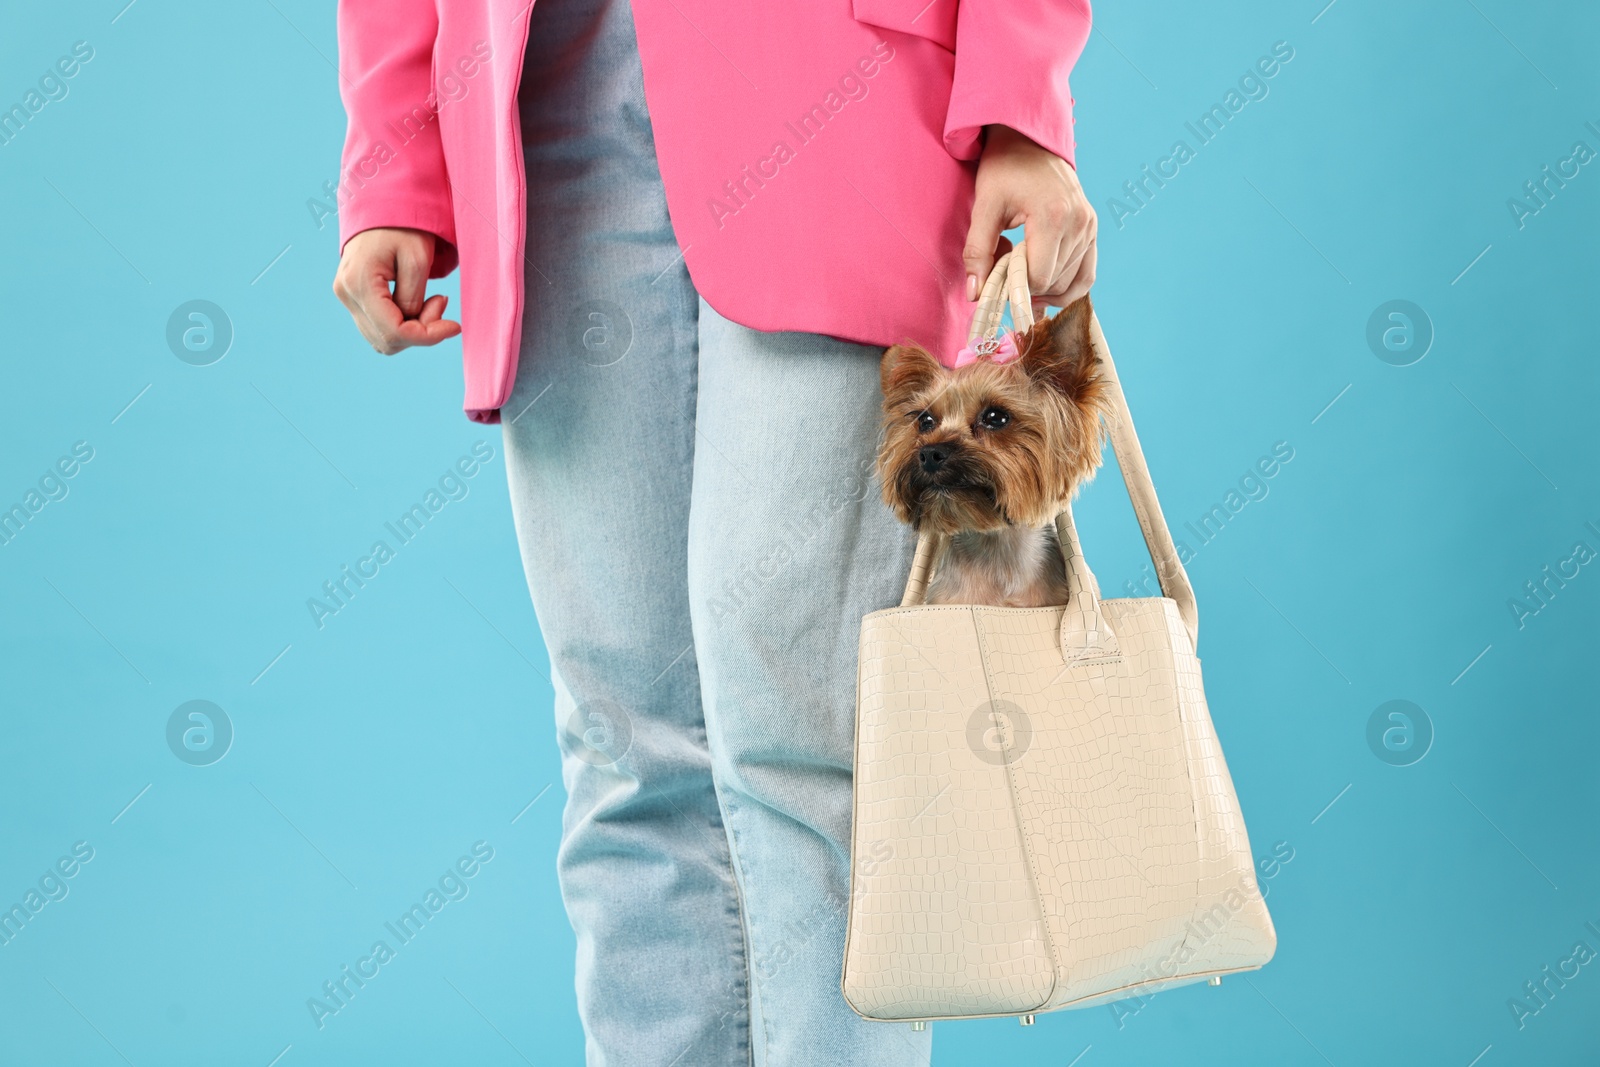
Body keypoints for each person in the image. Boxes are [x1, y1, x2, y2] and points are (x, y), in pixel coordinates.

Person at [331, 0, 1095, 1062]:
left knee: (804, 735)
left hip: (842, 103)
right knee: (623, 745)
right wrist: (395, 166)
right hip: (543, 112)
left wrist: (1019, 101)